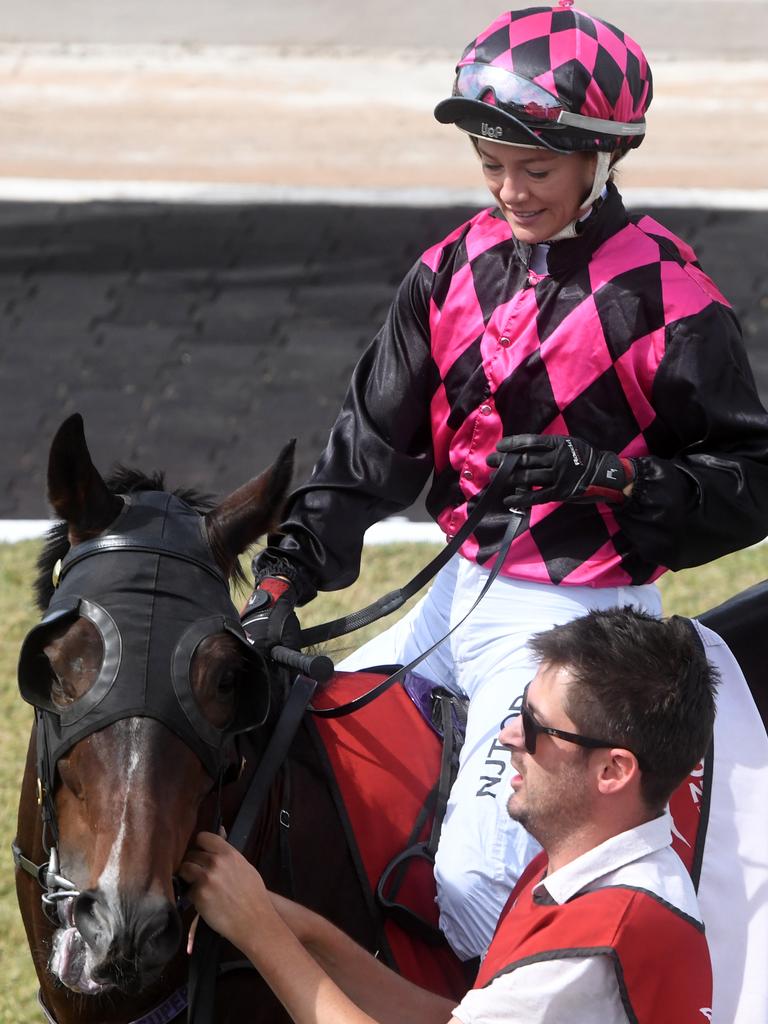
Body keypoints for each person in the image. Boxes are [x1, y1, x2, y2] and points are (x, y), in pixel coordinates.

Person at [243, 1, 768, 1016]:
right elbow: (368, 446)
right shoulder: (448, 270)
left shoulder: (673, 296)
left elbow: (754, 479)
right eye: (491, 163)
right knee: (289, 753)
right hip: (456, 596)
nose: (507, 190)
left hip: (577, 622)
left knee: (480, 875)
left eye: (534, 169)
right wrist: (287, 571)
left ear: (600, 159)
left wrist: (611, 478)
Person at [181, 608, 718, 1024]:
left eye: (534, 726)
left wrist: (258, 933)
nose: (509, 737)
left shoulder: (589, 949)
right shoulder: (582, 868)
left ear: (612, 772)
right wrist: (295, 926)